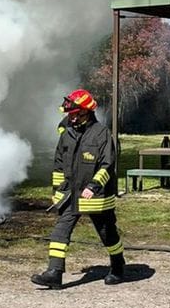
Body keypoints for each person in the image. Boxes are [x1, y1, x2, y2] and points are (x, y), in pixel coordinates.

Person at [31, 88, 125, 289]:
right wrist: (57, 190)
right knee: (60, 232)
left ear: (86, 112)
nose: (71, 118)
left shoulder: (101, 134)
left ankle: (118, 266)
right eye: (70, 115)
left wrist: (93, 186)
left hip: (96, 196)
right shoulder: (67, 134)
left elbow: (107, 164)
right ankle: (54, 273)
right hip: (71, 194)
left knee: (107, 234)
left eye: (75, 114)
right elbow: (59, 164)